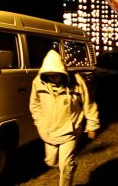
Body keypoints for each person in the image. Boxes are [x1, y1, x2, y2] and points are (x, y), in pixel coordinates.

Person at [29, 49, 100, 186]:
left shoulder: (77, 82)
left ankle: (67, 171)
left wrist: (92, 125)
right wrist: (40, 122)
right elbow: (34, 104)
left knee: (65, 165)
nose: (52, 78)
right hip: (49, 130)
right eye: (49, 75)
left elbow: (88, 103)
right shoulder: (38, 83)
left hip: (71, 130)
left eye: (56, 75)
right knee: (50, 161)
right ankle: (69, 168)